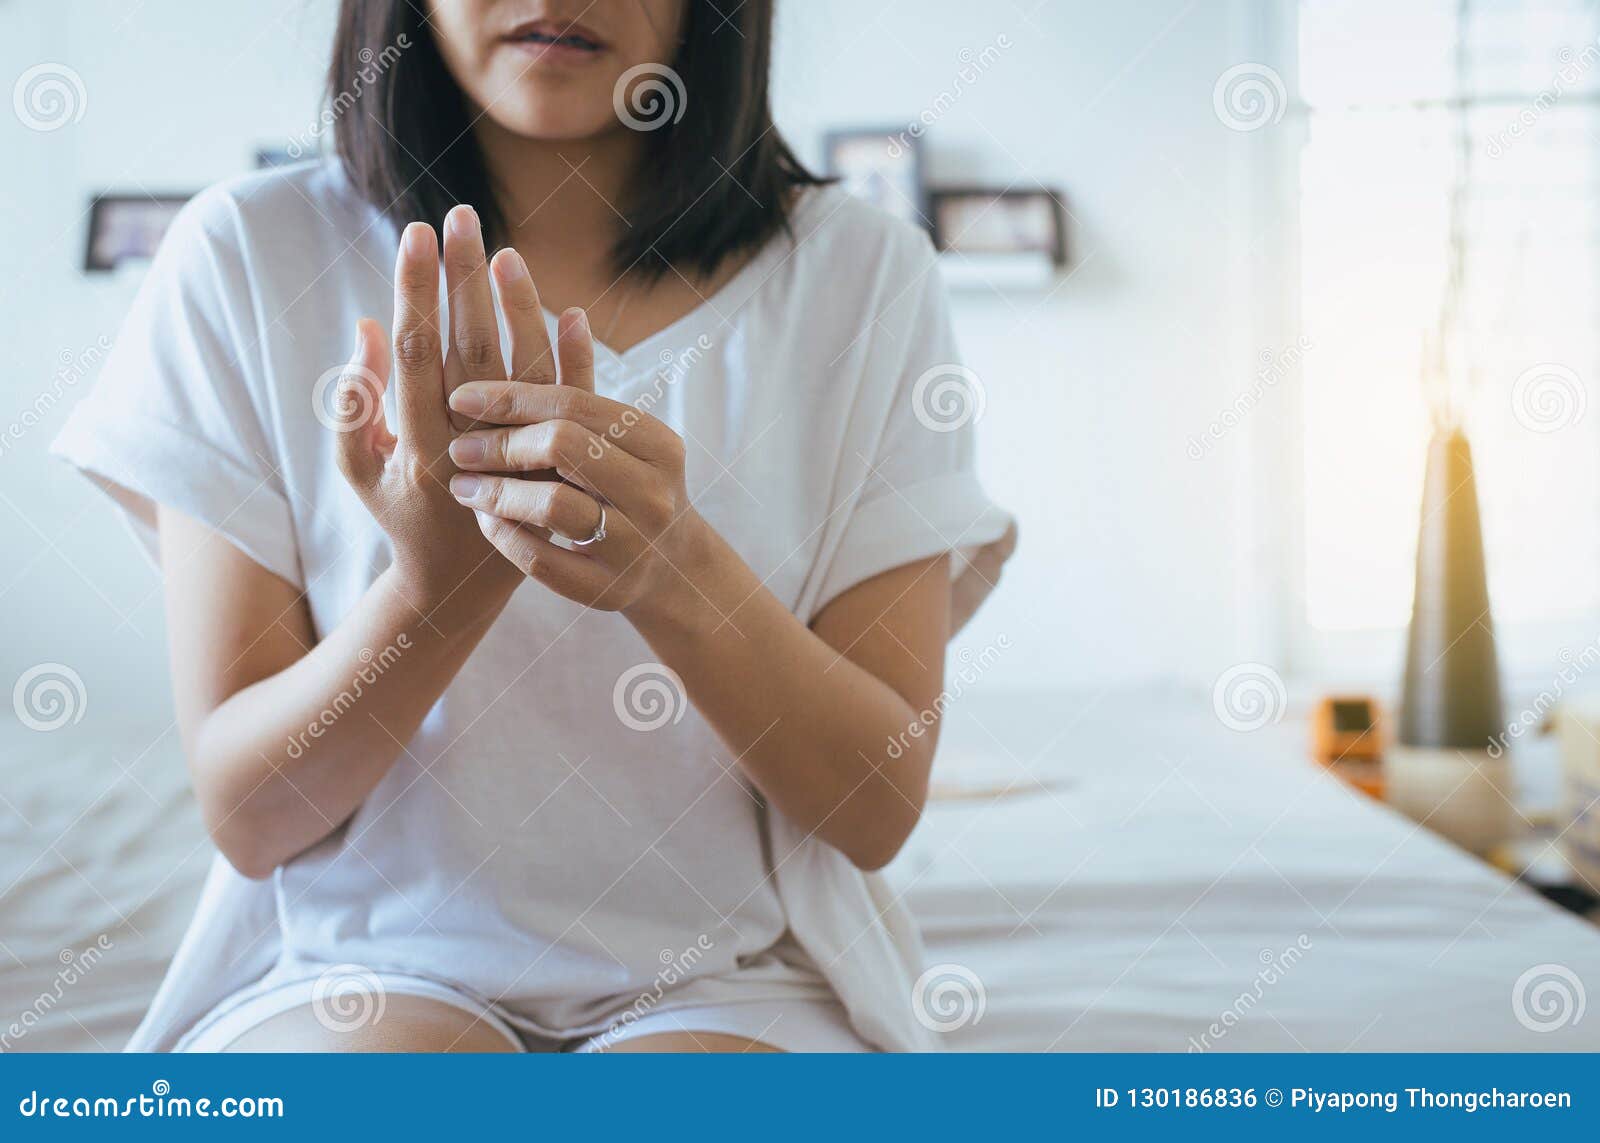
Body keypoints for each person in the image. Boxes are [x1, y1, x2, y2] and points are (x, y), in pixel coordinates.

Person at [53, 0, 1013, 1052]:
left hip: (742, 976)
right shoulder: (245, 253)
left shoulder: (862, 273)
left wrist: (674, 570)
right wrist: (432, 593)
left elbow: (873, 811)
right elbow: (251, 818)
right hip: (346, 964)